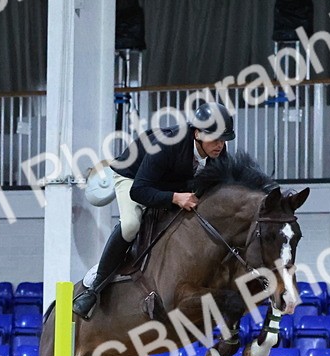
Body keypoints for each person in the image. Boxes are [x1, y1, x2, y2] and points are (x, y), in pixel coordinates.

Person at [72, 101, 237, 319]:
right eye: (215, 139)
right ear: (197, 133)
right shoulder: (167, 145)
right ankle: (95, 288)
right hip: (134, 178)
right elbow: (139, 191)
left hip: (168, 183)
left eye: (224, 140)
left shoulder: (218, 154)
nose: (220, 145)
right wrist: (175, 198)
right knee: (131, 225)